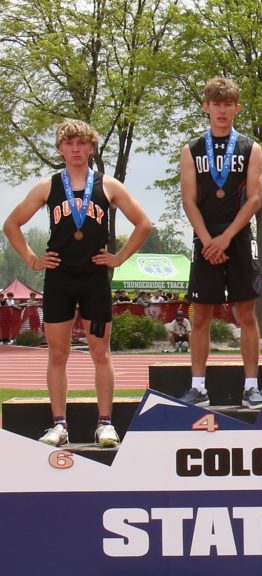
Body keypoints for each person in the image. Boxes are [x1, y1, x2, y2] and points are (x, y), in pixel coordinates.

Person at [3, 118, 152, 447]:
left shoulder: (108, 186)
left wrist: (120, 257)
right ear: (60, 149)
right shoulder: (48, 187)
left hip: (95, 279)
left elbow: (143, 223)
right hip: (59, 278)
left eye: (81, 143)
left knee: (101, 351)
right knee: (58, 353)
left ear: (91, 148)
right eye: (69, 143)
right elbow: (11, 224)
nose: (75, 149)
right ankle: (59, 425)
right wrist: (31, 259)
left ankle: (105, 424)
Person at [179, 77, 262, 408]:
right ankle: (198, 387)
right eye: (216, 104)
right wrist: (207, 241)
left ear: (237, 108)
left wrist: (226, 239)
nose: (222, 110)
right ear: (206, 108)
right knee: (200, 315)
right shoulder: (191, 150)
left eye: (228, 104)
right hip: (205, 236)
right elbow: (188, 200)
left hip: (239, 236)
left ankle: (251, 388)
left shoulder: (250, 148)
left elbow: (254, 199)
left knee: (246, 313)